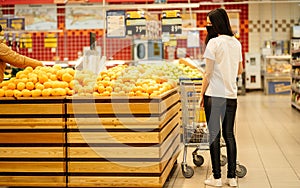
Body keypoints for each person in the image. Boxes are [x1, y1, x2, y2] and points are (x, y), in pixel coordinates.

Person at [199, 8, 243, 187]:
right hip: (231, 95)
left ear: (215, 24)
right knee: (229, 135)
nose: (207, 27)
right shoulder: (236, 43)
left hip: (213, 96)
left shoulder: (214, 43)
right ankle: (231, 178)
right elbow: (240, 70)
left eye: (209, 23)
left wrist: (201, 95)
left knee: (214, 136)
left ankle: (216, 178)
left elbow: (207, 74)